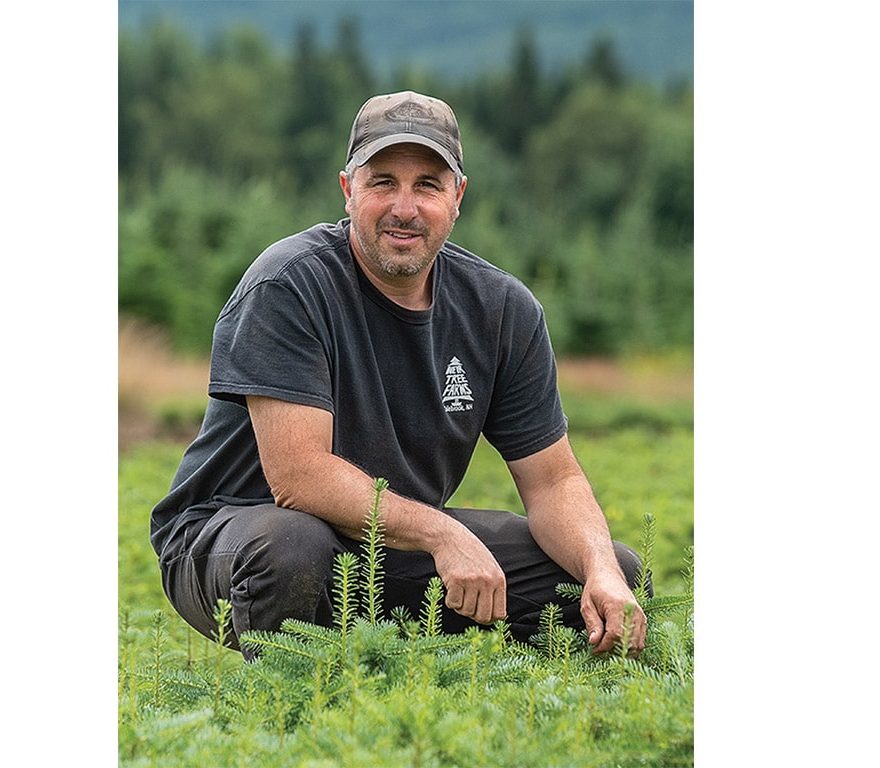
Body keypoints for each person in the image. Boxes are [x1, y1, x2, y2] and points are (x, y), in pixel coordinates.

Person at [149, 90, 649, 659]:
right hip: (237, 535)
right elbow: (298, 477)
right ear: (348, 189)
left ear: (458, 197)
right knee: (293, 547)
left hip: (389, 542)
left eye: (428, 185)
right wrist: (443, 534)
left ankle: (486, 703)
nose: (404, 207)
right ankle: (292, 710)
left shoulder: (502, 309)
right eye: (383, 181)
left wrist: (601, 568)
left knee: (610, 576)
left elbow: (554, 481)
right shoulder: (289, 285)